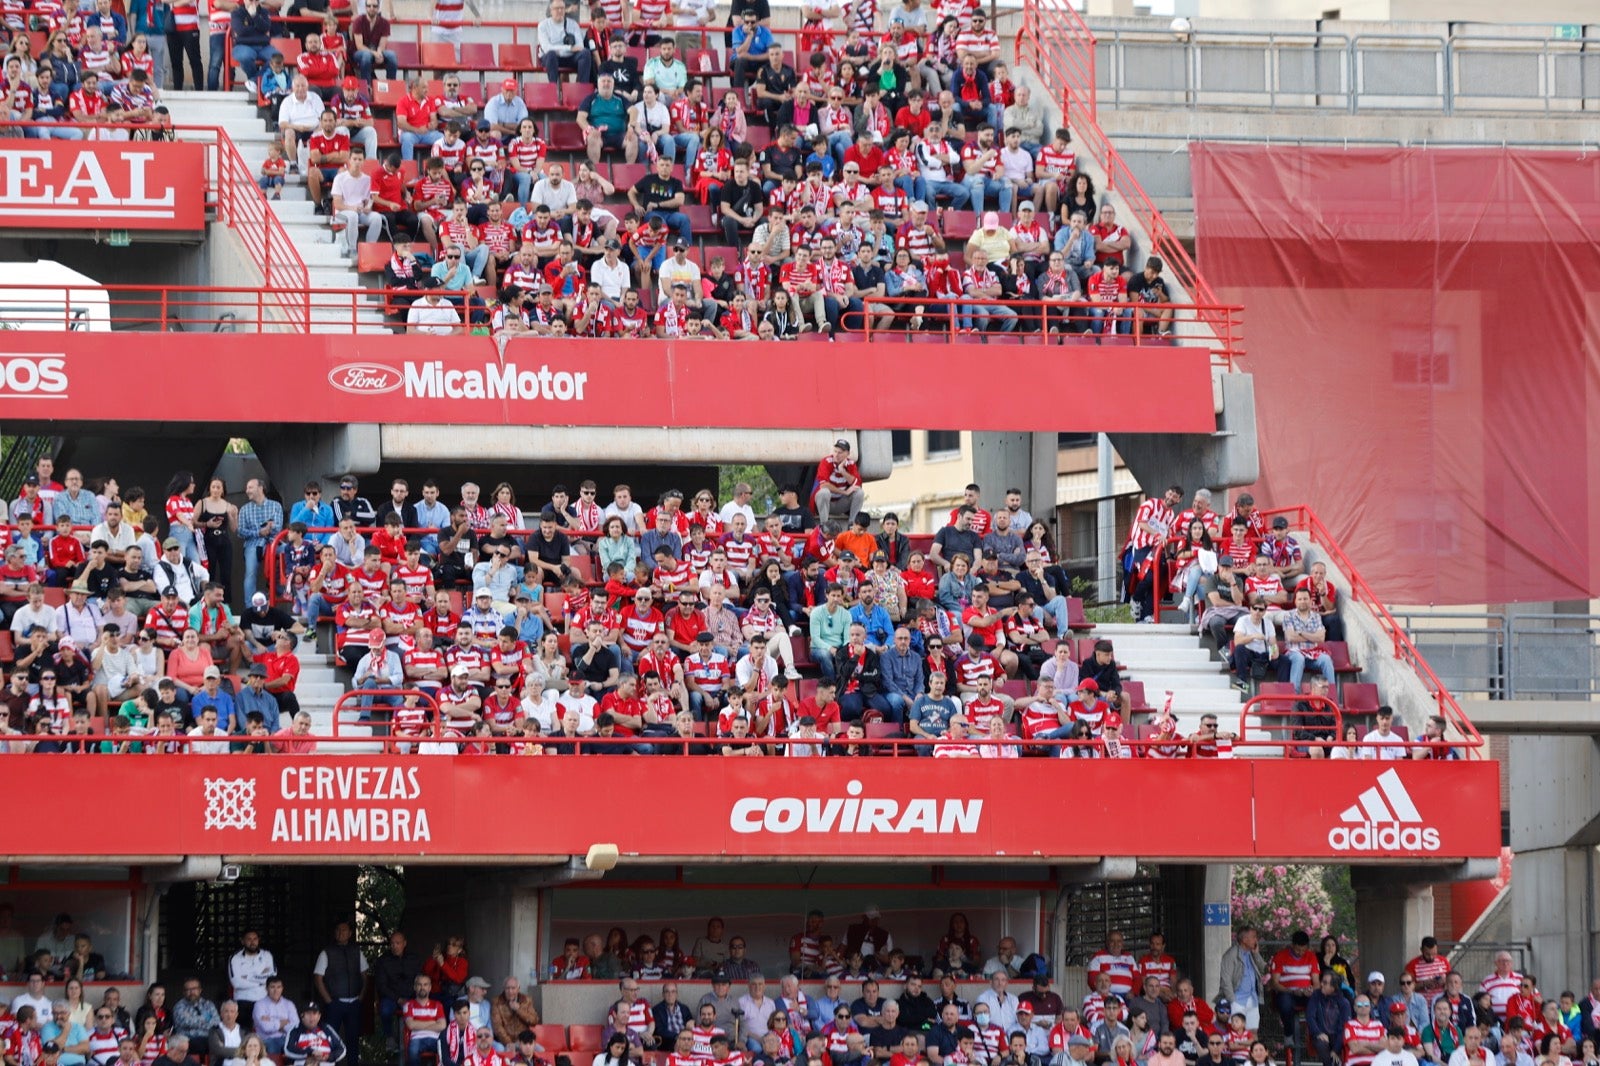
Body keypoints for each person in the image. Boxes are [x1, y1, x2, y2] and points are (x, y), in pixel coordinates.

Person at [312, 922, 366, 1058]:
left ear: (350, 933)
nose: (340, 933)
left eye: (344, 930)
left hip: (354, 1003)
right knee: (329, 1039)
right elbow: (318, 978)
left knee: (353, 1040)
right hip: (335, 1004)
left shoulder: (356, 951)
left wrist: (360, 998)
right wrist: (329, 1002)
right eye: (338, 930)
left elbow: (365, 976)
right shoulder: (327, 952)